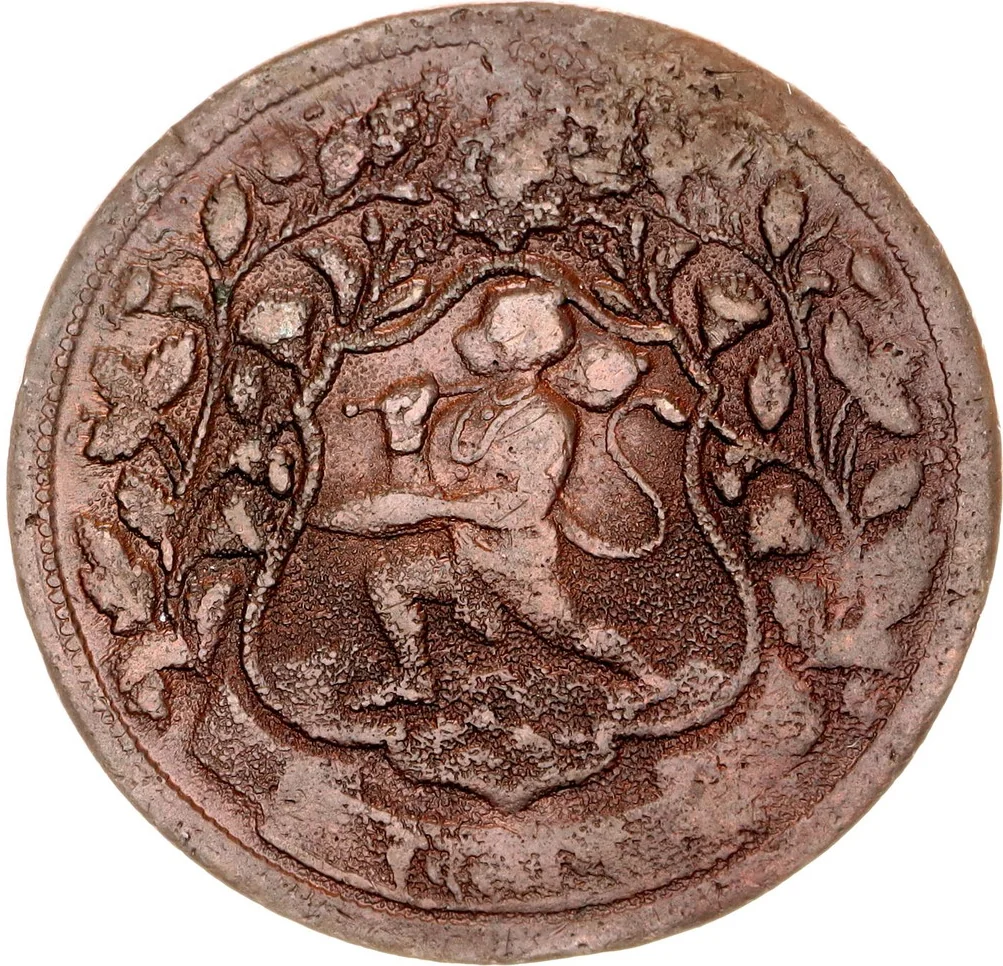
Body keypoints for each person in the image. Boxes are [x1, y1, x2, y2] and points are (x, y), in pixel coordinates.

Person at [313, 280, 662, 707]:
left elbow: (524, 507)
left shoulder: (547, 420)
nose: (470, 337)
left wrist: (431, 508)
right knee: (388, 579)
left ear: (520, 350)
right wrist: (404, 435)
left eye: (488, 332)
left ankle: (650, 679)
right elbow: (423, 485)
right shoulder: (466, 408)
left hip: (515, 561)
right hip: (464, 551)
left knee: (569, 632)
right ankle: (416, 677)